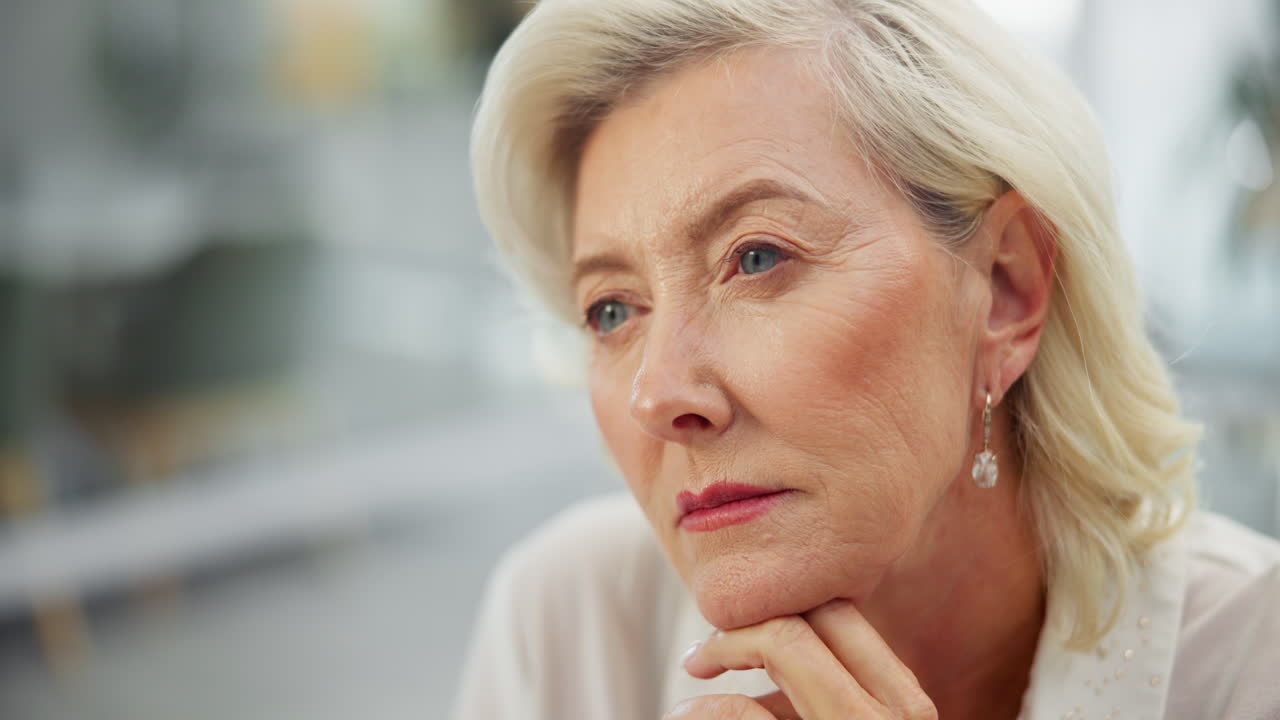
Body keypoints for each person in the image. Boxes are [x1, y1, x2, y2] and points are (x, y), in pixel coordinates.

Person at [455, 1, 1280, 718]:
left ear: (1004, 290)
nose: (659, 393)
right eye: (611, 310)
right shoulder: (566, 623)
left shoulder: (1252, 665)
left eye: (755, 258)